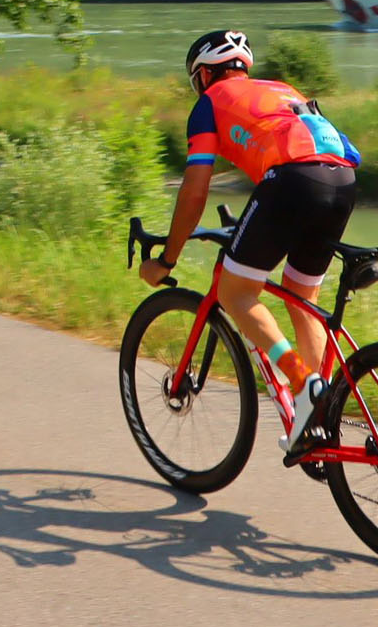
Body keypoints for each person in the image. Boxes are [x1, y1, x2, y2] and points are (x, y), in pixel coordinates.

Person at [139, 30, 362, 455]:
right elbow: (341, 152)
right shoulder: (282, 90)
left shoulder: (209, 103)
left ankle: (302, 381)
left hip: (292, 182)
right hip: (343, 180)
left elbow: (195, 189)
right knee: (301, 296)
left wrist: (168, 257)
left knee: (235, 291)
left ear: (204, 76)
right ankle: (311, 417)